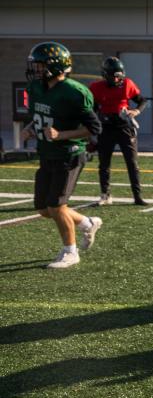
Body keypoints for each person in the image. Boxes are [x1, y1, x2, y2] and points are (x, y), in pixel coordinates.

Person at [21, 42, 103, 269]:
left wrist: (61, 135)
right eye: (35, 65)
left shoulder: (74, 92)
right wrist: (30, 128)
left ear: (56, 65)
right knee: (45, 210)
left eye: (41, 65)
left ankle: (70, 252)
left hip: (69, 154)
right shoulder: (36, 88)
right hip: (47, 153)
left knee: (57, 207)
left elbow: (94, 129)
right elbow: (39, 115)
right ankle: (87, 223)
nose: (36, 69)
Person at [88, 56, 149, 206]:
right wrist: (92, 130)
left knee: (132, 162)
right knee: (104, 163)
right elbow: (92, 109)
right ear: (105, 75)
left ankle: (137, 196)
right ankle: (105, 195)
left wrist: (135, 111)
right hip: (106, 127)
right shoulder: (96, 87)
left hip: (124, 127)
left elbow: (142, 100)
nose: (117, 79)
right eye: (113, 76)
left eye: (119, 76)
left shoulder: (127, 84)